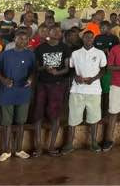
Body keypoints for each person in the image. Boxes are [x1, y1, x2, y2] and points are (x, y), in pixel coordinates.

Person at [61, 30, 107, 155]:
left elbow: (103, 70)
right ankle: (70, 144)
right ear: (83, 39)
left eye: (91, 38)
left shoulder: (100, 53)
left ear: (94, 39)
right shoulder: (75, 53)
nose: (89, 39)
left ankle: (93, 142)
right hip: (77, 90)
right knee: (73, 118)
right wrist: (76, 77)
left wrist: (94, 79)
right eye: (86, 37)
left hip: (94, 90)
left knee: (94, 118)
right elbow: (70, 70)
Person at [0, 29, 35, 162]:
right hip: (8, 92)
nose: (24, 41)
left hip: (23, 92)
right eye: (21, 39)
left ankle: (19, 149)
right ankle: (6, 150)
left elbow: (34, 71)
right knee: (7, 123)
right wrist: (4, 80)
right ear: (15, 39)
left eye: (26, 39)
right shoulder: (5, 55)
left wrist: (30, 79)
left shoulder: (30, 55)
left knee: (21, 122)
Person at [33, 25, 70, 157]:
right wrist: (45, 68)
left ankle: (51, 146)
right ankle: (38, 147)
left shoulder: (65, 48)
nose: (58, 32)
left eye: (60, 31)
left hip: (57, 84)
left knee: (55, 115)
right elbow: (36, 67)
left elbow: (66, 68)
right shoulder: (40, 48)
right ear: (49, 32)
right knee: (38, 114)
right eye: (55, 30)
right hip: (42, 84)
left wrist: (57, 72)